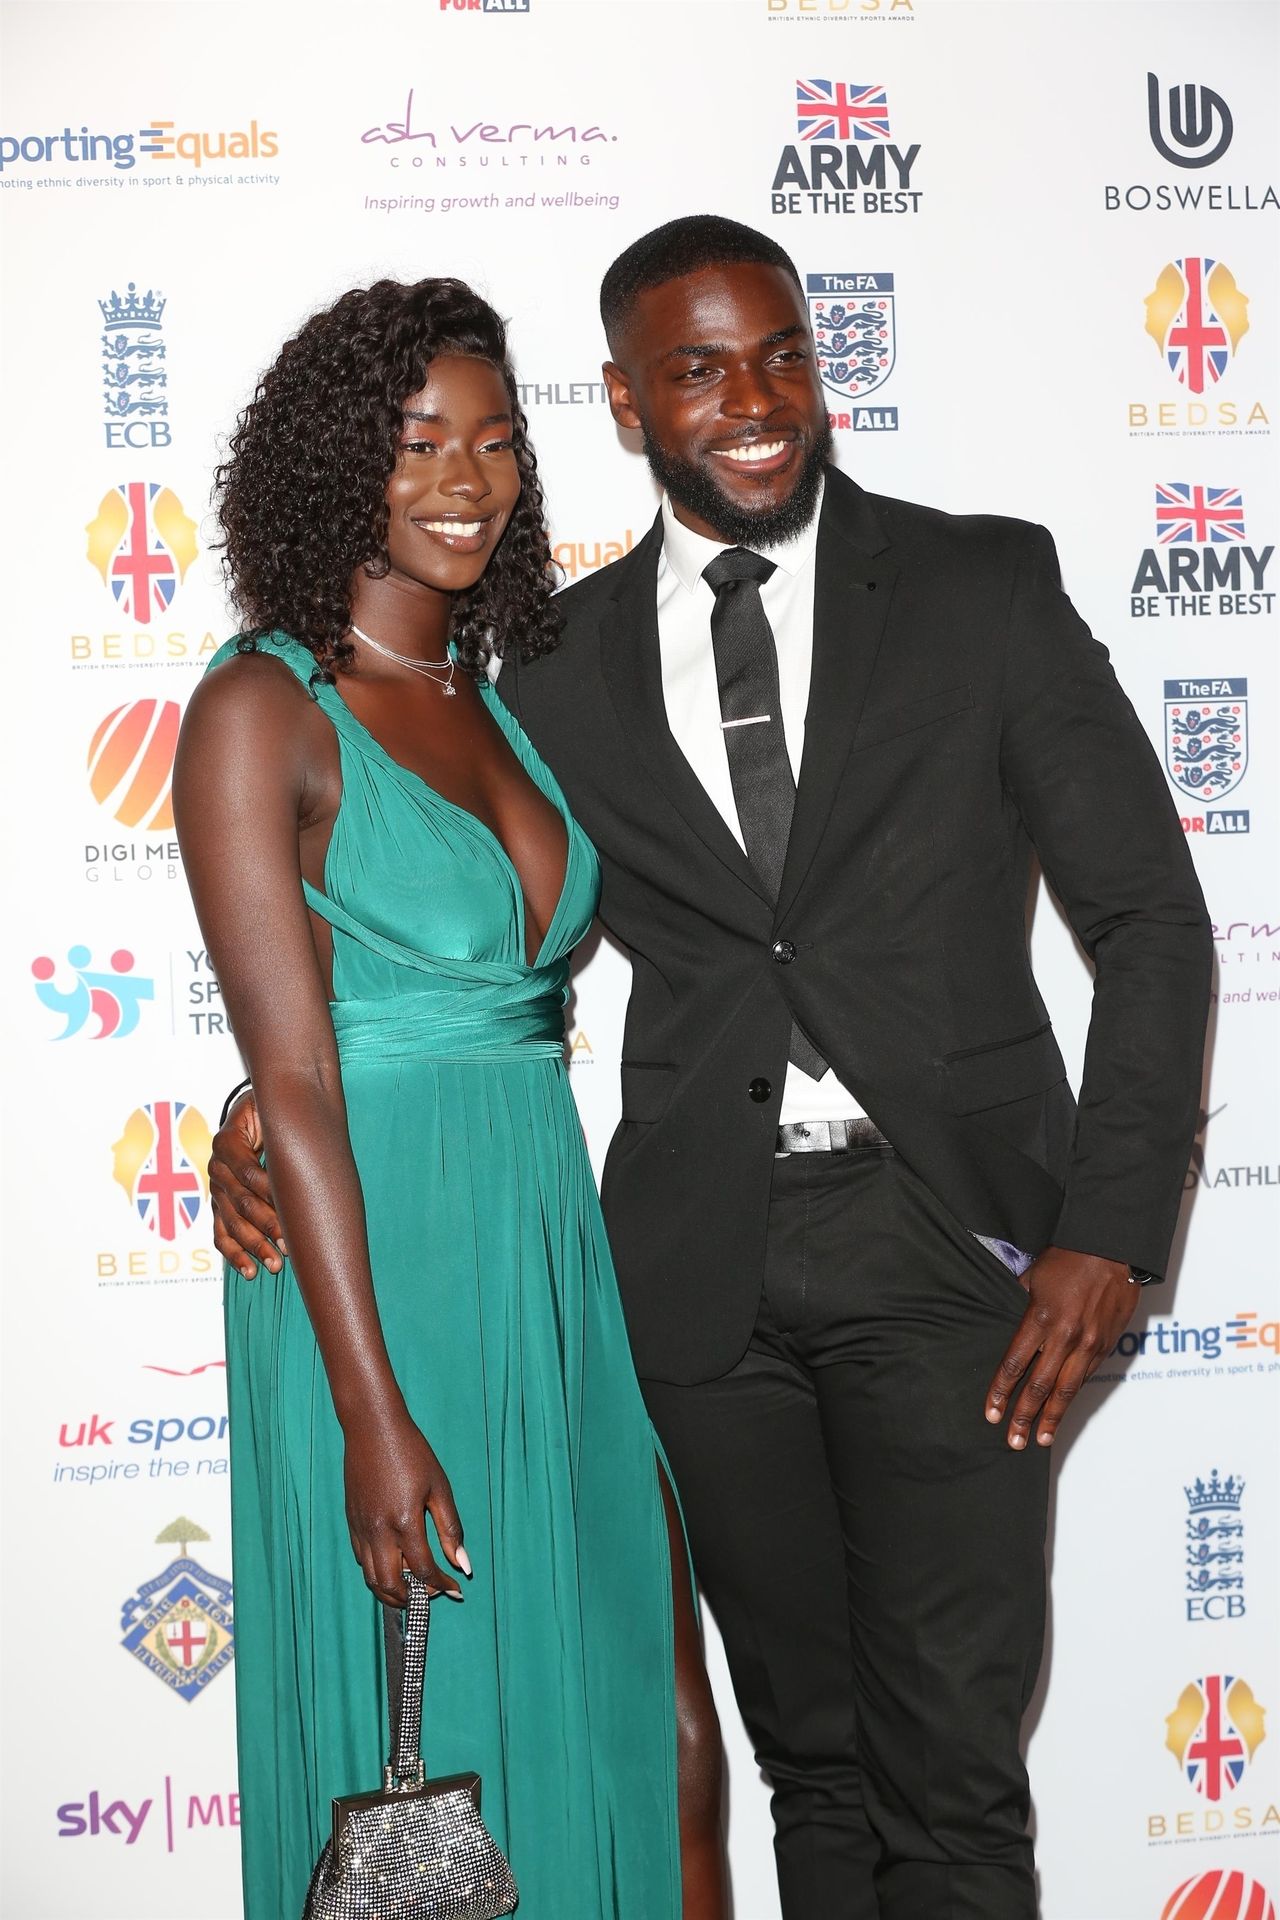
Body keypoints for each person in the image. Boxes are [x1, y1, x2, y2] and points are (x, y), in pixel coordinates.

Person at [210, 222, 1213, 1920]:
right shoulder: (546, 667)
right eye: (697, 370)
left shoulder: (982, 587)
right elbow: (416, 919)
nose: (753, 401)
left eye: (783, 356)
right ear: (626, 404)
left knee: (952, 1778)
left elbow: (1153, 923)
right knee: (806, 1761)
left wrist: (1110, 1229)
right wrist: (260, 1107)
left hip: (949, 1252)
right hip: (689, 1286)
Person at [174, 277, 726, 1920]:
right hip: (380, 1282)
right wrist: (371, 1413)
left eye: (493, 443)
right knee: (434, 1773)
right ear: (336, 462)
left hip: (546, 1260)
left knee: (665, 1735)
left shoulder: (503, 695)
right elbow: (295, 1071)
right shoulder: (261, 709)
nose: (464, 481)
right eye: (417, 444)